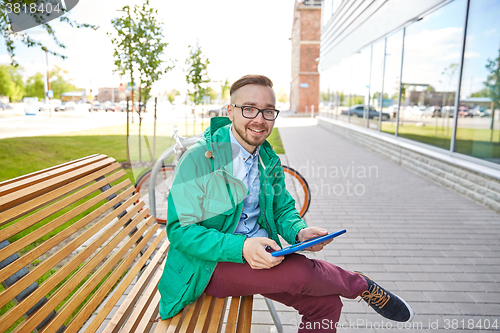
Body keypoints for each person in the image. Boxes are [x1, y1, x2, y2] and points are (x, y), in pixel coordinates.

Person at [158, 74, 413, 332]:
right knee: (302, 273)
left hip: (263, 256)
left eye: (268, 111)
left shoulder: (268, 158)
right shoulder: (199, 159)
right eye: (249, 109)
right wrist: (242, 247)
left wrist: (300, 232)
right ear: (230, 112)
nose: (259, 119)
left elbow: (282, 210)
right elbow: (180, 230)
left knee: (327, 305)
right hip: (209, 265)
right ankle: (361, 285)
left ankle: (354, 284)